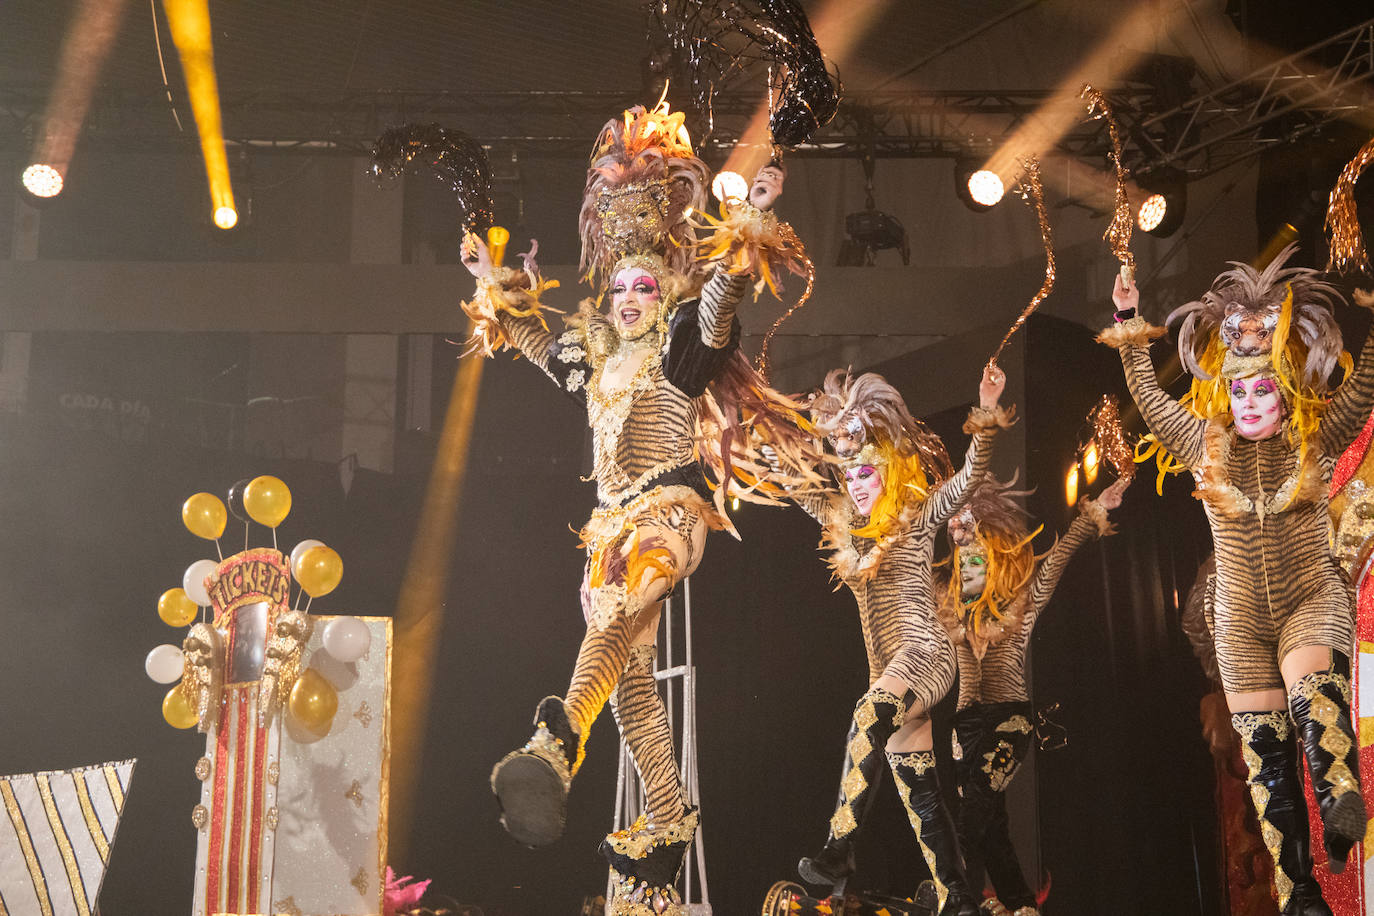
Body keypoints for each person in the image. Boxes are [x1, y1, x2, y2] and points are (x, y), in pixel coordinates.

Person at [460, 101, 817, 916]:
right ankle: (667, 811)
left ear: (665, 291)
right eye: (618, 285)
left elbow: (724, 292)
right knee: (629, 682)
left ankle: (554, 743)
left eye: (644, 284)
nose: (627, 296)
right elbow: (529, 342)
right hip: (609, 522)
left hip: (671, 512)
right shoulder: (593, 358)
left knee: (627, 599)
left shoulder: (684, 346)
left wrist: (752, 220)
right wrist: (489, 279)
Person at [1101, 246, 1373, 914]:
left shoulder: (1317, 433)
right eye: (1241, 389)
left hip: (1311, 596)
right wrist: (1129, 319)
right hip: (1240, 624)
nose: (1252, 401)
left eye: (1265, 388)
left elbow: (1365, 386)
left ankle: (1343, 802)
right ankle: (1299, 893)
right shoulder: (1202, 442)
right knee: (1266, 769)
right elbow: (1147, 395)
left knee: (1318, 705)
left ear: (1285, 386)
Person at [783, 365, 1013, 916]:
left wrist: (984, 415)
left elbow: (970, 477)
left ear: (888, 471)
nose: (857, 485)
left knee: (869, 714)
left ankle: (840, 846)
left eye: (867, 474)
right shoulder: (842, 520)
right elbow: (793, 485)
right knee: (921, 796)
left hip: (926, 657)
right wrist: (760, 430)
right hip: (887, 666)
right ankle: (957, 897)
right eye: (850, 477)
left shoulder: (917, 514)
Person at [939, 473, 1127, 916]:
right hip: (965, 728)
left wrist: (1094, 512)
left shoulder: (1022, 605)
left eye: (977, 561)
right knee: (991, 828)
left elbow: (1057, 558)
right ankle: (1019, 904)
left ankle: (956, 898)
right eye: (963, 562)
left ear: (996, 563)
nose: (968, 569)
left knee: (973, 817)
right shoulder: (948, 612)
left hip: (1009, 721)